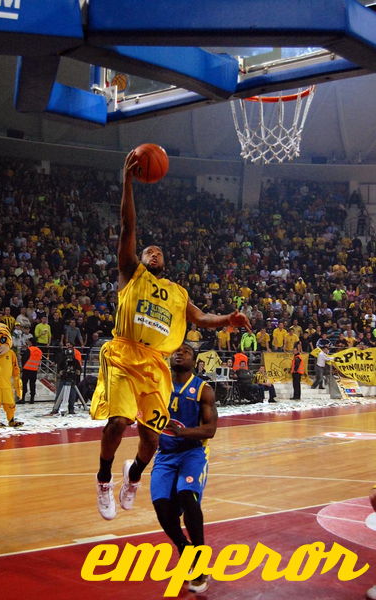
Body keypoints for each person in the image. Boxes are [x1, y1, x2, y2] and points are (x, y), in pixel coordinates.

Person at [91, 150, 251, 521]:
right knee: (118, 422)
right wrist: (128, 182)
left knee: (151, 438)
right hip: (122, 353)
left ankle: (132, 477)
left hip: (153, 363)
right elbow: (128, 227)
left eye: (158, 252)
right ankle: (103, 479)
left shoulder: (178, 294)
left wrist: (228, 317)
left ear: (166, 262)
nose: (153, 252)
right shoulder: (131, 273)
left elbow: (203, 318)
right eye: (149, 250)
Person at [150, 343, 217, 594]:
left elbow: (210, 430)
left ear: (194, 360)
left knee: (187, 496)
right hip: (165, 454)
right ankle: (184, 547)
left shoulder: (203, 389)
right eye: (176, 351)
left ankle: (199, 564)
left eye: (186, 351)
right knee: (161, 505)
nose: (180, 353)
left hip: (192, 452)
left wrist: (183, 432)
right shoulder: (159, 386)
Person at [20, 339, 43, 404]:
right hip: (34, 369)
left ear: (31, 342)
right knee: (32, 384)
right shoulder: (39, 351)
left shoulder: (29, 349)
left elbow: (24, 359)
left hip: (27, 369)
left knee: (24, 383)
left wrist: (22, 367)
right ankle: (32, 399)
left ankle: (23, 398)